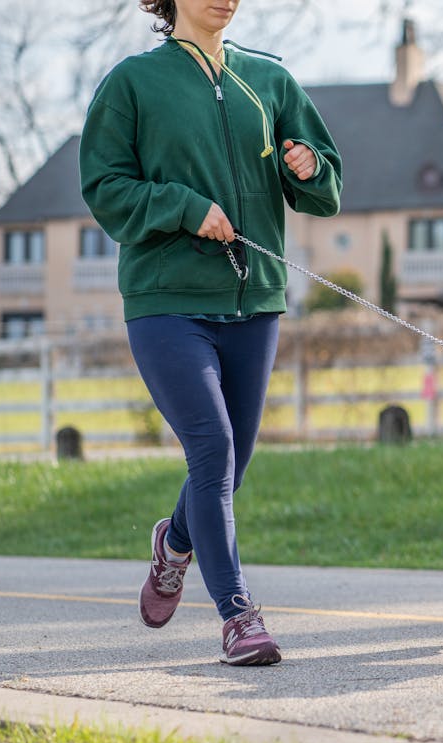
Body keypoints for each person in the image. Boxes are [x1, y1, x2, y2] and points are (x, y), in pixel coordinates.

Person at [79, 0, 342, 666]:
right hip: (167, 301)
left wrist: (306, 167)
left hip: (255, 301)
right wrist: (184, 207)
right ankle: (238, 616)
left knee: (232, 463)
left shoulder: (270, 79)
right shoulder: (133, 83)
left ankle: (173, 546)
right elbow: (104, 186)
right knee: (213, 445)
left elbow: (325, 188)